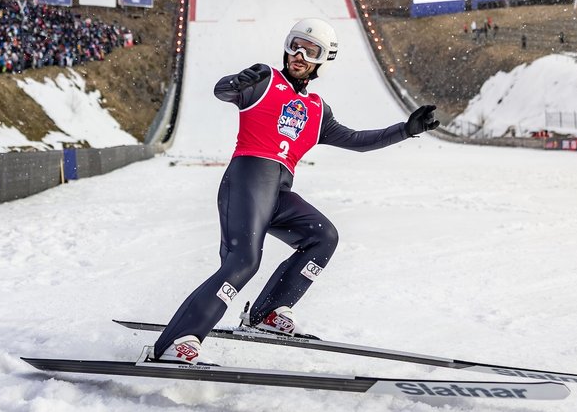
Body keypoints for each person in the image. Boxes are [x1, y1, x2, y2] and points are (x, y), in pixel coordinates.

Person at [150, 18, 440, 364]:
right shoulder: (265, 79)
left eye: (310, 49)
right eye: (295, 45)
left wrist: (405, 130)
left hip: (277, 194)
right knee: (243, 262)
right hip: (246, 182)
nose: (299, 54)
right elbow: (223, 91)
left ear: (324, 59)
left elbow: (358, 141)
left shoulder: (317, 110)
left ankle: (267, 315)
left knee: (323, 237)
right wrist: (237, 81)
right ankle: (177, 341)